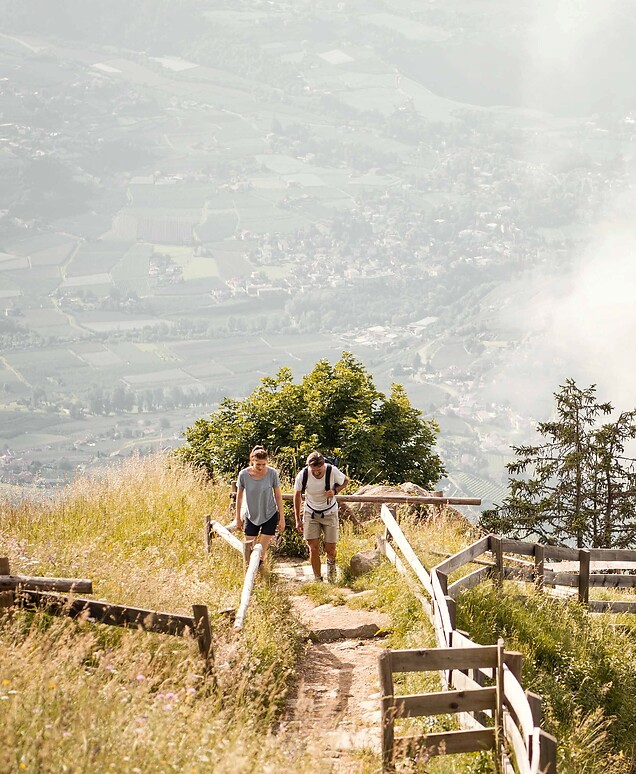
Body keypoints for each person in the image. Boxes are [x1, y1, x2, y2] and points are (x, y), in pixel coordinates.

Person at [293, 451, 348, 582]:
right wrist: (298, 520)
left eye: (319, 470)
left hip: (330, 512)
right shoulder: (303, 475)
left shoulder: (331, 470)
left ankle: (331, 569)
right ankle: (318, 578)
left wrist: (335, 491)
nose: (316, 473)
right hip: (311, 513)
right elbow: (297, 495)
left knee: (331, 548)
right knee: (313, 547)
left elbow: (345, 481)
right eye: (314, 470)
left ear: (323, 465)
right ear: (309, 467)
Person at [235, 446, 285, 564]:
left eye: (263, 464)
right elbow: (239, 496)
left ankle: (259, 574)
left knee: (261, 551)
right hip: (251, 515)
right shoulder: (243, 475)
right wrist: (238, 518)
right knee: (249, 550)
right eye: (258, 464)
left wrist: (281, 518)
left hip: (269, 514)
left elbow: (278, 496)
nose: (261, 467)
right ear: (252, 461)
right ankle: (252, 576)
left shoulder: (272, 473)